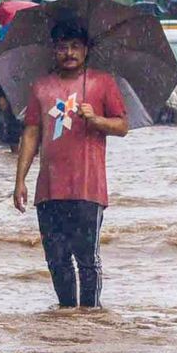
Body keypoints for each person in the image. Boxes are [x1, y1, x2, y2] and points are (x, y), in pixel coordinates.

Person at [13, 19, 128, 308]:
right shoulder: (41, 86)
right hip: (49, 189)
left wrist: (97, 119)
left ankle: (89, 318)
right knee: (56, 258)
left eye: (75, 47)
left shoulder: (102, 83)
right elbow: (31, 133)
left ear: (86, 50)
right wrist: (20, 181)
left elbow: (122, 126)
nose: (69, 53)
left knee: (87, 260)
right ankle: (65, 316)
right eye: (63, 47)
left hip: (88, 189)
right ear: (54, 51)